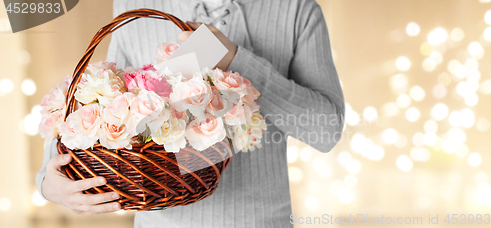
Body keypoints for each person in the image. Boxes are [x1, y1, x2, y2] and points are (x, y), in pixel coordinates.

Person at [36, 0, 345, 227]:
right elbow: (100, 102)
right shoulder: (135, 6)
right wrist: (47, 182)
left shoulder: (296, 9)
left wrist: (237, 60)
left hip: (262, 221)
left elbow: (327, 131)